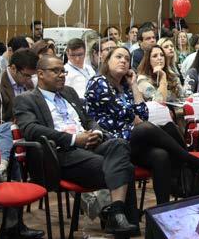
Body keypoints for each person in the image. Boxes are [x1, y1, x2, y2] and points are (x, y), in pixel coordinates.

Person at [14, 55, 140, 236]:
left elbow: (88, 119)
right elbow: (31, 129)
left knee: (119, 145)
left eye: (63, 71)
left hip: (89, 145)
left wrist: (96, 132)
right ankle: (120, 220)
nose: (61, 75)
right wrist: (72, 139)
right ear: (40, 74)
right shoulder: (27, 99)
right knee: (124, 167)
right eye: (55, 71)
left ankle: (116, 212)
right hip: (61, 153)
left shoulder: (69, 92)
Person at [85, 47, 199, 205]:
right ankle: (191, 161)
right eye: (118, 57)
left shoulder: (125, 86)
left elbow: (142, 114)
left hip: (130, 138)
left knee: (161, 153)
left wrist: (133, 86)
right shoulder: (98, 82)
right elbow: (126, 113)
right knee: (147, 128)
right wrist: (134, 115)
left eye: (126, 58)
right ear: (107, 61)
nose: (123, 60)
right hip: (111, 143)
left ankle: (162, 209)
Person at [0, 48, 38, 123]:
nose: (29, 79)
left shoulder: (29, 82)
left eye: (32, 76)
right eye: (26, 75)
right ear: (13, 68)